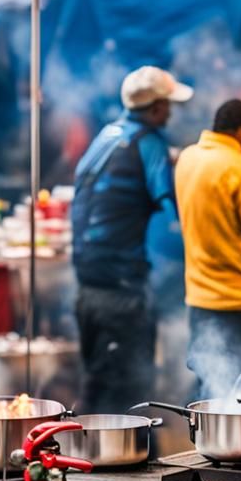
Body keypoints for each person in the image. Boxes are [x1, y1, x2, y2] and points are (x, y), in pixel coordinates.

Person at [71, 65, 192, 412]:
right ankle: (138, 456)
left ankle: (91, 451)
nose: (170, 112)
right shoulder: (150, 142)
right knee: (133, 386)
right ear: (155, 108)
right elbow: (172, 213)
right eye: (168, 104)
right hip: (121, 287)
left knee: (97, 375)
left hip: (87, 284)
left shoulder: (107, 135)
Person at [175, 98, 241, 399]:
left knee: (207, 382)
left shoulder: (187, 158)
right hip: (237, 303)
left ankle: (203, 443)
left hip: (198, 299)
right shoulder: (240, 169)